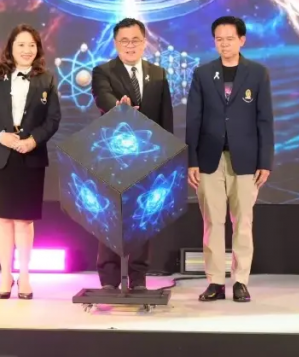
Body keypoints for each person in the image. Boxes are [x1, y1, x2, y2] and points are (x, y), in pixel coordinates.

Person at [186, 16, 272, 302]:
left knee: (243, 222)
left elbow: (265, 120)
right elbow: (193, 120)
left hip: (246, 160)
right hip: (209, 159)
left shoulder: (257, 73)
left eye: (230, 38)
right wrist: (192, 159)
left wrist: (265, 161)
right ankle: (214, 281)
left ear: (242, 40)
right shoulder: (203, 73)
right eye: (219, 39)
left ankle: (240, 281)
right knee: (212, 222)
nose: (224, 44)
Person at [0, 24, 61, 300]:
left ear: (38, 49)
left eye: (32, 45)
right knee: (3, 218)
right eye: (21, 44)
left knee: (24, 219)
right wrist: (2, 137)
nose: (27, 50)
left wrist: (33, 141)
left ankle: (24, 276)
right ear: (11, 47)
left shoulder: (46, 79)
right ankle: (4, 275)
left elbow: (53, 119)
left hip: (30, 157)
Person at [91, 17, 174, 290]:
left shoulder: (158, 74)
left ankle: (138, 279)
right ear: (115, 43)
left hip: (148, 159)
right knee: (110, 218)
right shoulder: (103, 71)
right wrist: (119, 107)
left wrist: (167, 155)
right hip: (112, 158)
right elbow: (102, 97)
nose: (130, 45)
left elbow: (165, 118)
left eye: (135, 40)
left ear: (144, 42)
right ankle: (109, 280)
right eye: (124, 41)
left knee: (143, 219)